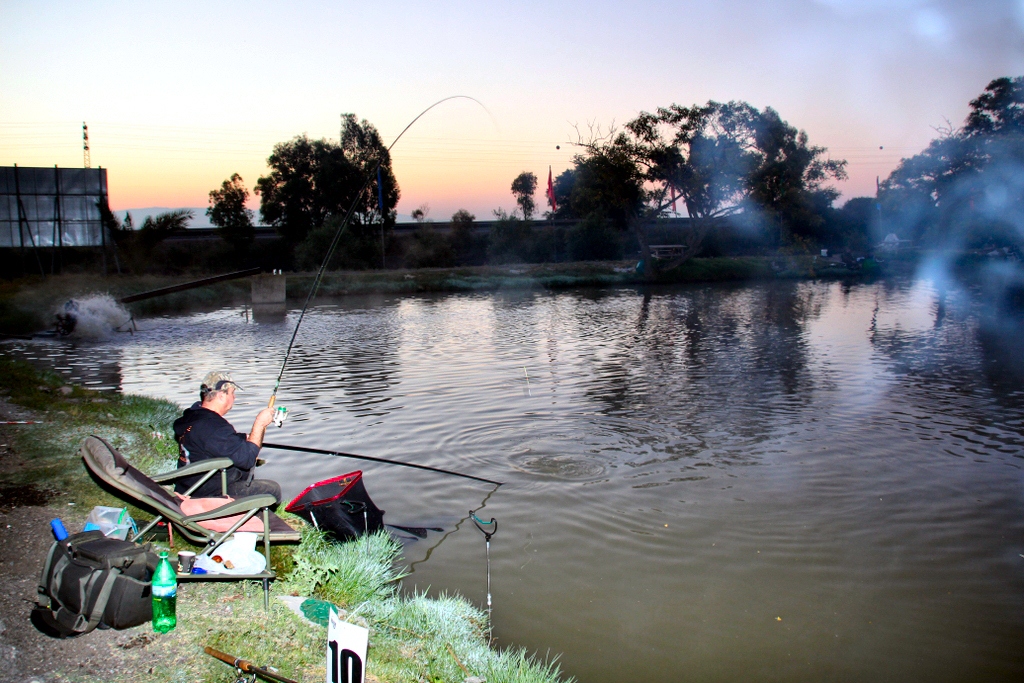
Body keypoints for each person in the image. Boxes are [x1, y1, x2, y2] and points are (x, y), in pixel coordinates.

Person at [173, 371, 282, 504]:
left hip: (189, 486)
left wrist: (244, 438)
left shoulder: (193, 416)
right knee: (273, 489)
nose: (234, 397)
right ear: (221, 396)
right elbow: (247, 459)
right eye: (232, 393)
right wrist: (260, 423)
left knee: (241, 468)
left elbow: (215, 441)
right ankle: (253, 519)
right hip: (206, 495)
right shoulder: (213, 427)